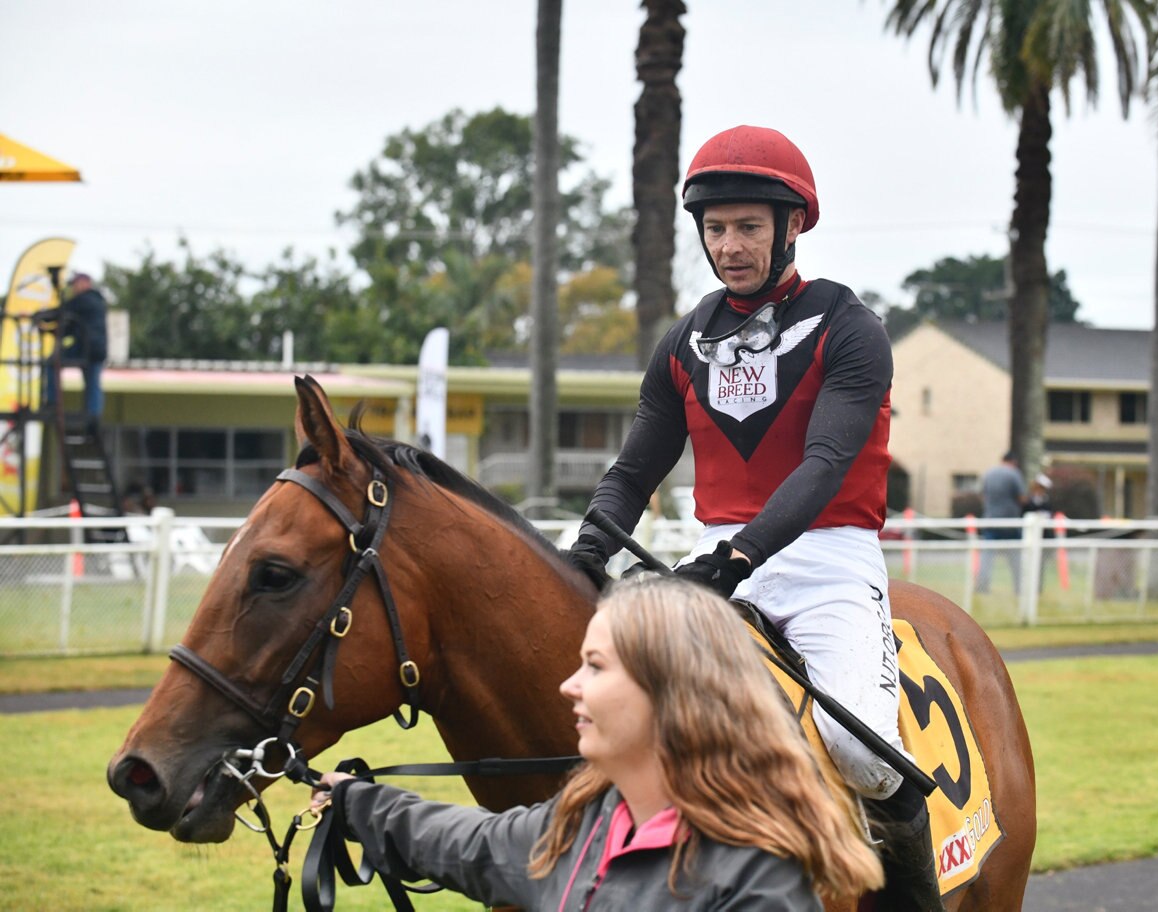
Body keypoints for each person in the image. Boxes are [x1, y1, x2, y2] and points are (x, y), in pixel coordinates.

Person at [563, 125, 943, 910]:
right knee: (622, 723)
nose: (729, 246)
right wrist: (589, 547)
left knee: (858, 748)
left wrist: (738, 559)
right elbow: (636, 468)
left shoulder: (850, 328)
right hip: (715, 561)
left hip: (828, 561)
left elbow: (826, 464)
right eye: (715, 229)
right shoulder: (682, 343)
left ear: (792, 225)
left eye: (747, 227)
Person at [311, 576, 884, 910]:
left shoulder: (758, 881)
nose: (569, 685)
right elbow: (473, 844)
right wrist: (356, 802)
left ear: (667, 692)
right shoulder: (583, 824)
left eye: (594, 666)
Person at [38, 271, 108, 430]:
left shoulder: (84, 300)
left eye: (75, 284)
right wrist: (52, 331)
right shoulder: (96, 301)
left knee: (52, 363)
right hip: (97, 349)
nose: (73, 289)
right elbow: (70, 327)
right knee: (93, 383)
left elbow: (61, 312)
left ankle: (52, 401)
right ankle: (93, 415)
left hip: (86, 347)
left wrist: (39, 316)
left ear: (84, 283)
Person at [975, 450, 1027, 594]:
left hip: (990, 520)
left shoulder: (988, 474)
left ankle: (982, 587)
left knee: (987, 557)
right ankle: (1019, 588)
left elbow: (982, 495)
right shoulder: (1014, 474)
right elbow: (1022, 498)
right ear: (1014, 461)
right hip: (1010, 523)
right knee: (1015, 557)